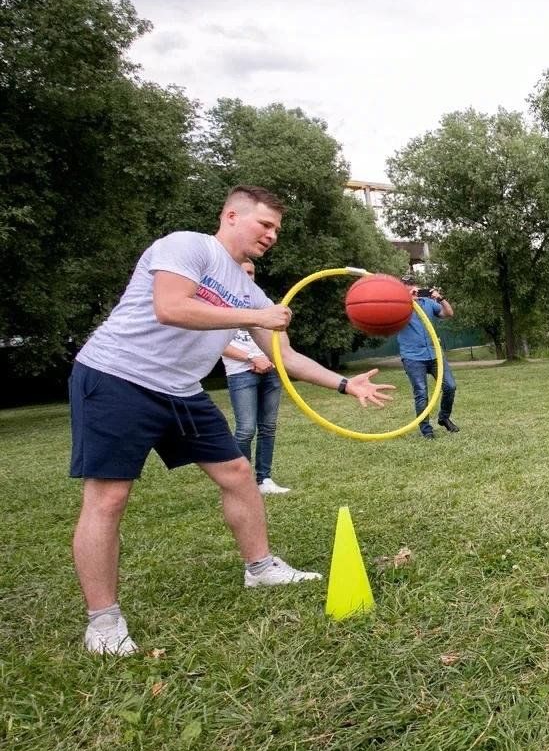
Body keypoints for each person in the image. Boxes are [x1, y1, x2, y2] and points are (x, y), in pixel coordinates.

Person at [70, 185, 394, 656]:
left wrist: (346, 385)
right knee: (109, 496)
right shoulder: (188, 246)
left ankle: (259, 568)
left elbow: (285, 356)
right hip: (119, 376)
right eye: (265, 225)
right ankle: (103, 622)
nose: (272, 235)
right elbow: (172, 307)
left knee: (239, 473)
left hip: (180, 389)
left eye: (277, 229)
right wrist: (255, 312)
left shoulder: (247, 289)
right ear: (231, 215)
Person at [221, 260, 291, 494]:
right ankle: (242, 482)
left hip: (270, 370)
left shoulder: (262, 304)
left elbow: (277, 335)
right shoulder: (221, 304)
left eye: (251, 272)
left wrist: (274, 358)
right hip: (241, 373)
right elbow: (219, 344)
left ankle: (265, 479)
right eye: (243, 272)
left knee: (268, 427)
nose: (247, 276)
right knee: (245, 429)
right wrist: (252, 359)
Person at [397, 285, 458, 438]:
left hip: (434, 354)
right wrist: (406, 301)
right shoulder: (399, 307)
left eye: (416, 289)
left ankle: (444, 418)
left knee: (450, 386)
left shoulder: (428, 303)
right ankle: (426, 430)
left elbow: (449, 313)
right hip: (413, 357)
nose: (415, 292)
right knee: (421, 393)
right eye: (410, 289)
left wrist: (440, 298)